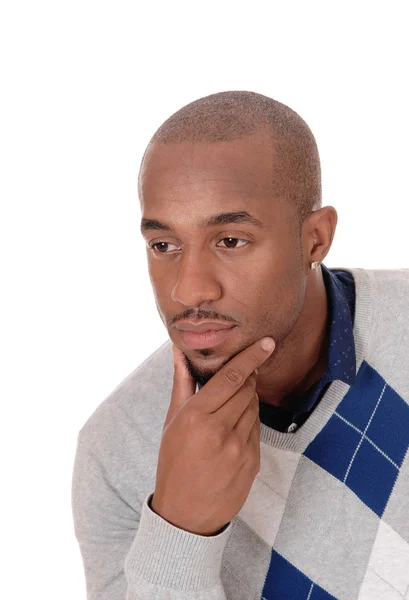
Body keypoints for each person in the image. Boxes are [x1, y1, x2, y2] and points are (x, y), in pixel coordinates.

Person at [71, 91, 409, 600]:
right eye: (165, 246)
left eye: (230, 241)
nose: (189, 290)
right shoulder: (118, 450)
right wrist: (180, 531)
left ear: (315, 238)